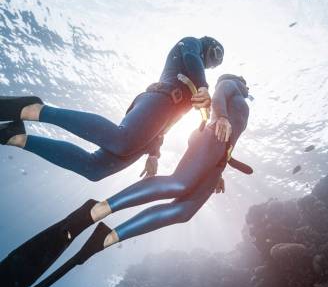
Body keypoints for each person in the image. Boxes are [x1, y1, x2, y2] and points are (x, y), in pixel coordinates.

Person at [0, 74, 251, 287]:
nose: (246, 86)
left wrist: (218, 166)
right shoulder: (231, 85)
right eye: (244, 82)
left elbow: (228, 133)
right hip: (214, 138)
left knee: (184, 212)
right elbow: (219, 95)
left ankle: (108, 237)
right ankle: (101, 209)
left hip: (220, 156)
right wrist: (222, 116)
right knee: (178, 184)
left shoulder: (240, 102)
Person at [0, 36, 224, 180]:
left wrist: (154, 153)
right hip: (158, 99)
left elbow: (170, 123)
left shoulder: (196, 78)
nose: (212, 64)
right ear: (209, 45)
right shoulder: (191, 43)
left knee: (95, 169)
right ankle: (35, 110)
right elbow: (191, 56)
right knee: (121, 141)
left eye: (216, 65)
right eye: (215, 56)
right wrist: (204, 86)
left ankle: (16, 137)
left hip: (158, 123)